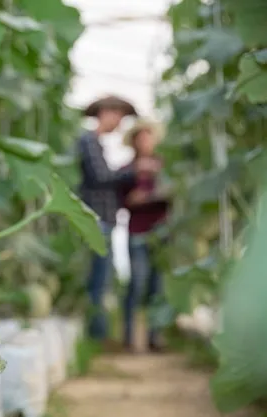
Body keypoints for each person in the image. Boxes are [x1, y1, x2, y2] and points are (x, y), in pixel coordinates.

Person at [77, 96, 160, 350]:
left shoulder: (96, 144)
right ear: (107, 113)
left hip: (105, 220)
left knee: (103, 279)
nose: (120, 124)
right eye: (120, 118)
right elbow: (101, 177)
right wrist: (133, 172)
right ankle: (97, 337)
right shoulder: (89, 141)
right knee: (100, 280)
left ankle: (99, 335)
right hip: (98, 220)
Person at [118, 118, 171, 353]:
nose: (144, 141)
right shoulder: (126, 170)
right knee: (137, 283)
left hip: (161, 232)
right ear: (134, 142)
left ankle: (154, 337)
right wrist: (132, 199)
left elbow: (174, 193)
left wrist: (150, 196)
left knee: (157, 287)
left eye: (148, 136)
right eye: (140, 137)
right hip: (137, 232)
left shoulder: (164, 166)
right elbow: (121, 201)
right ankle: (129, 338)